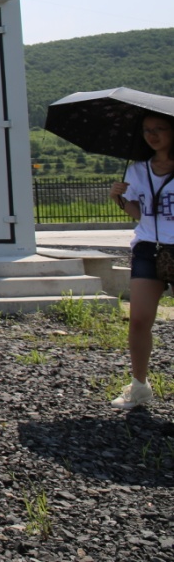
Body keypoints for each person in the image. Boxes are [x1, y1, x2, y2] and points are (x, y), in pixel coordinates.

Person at [109, 112, 174, 410]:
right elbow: (140, 213)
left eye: (160, 128)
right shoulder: (138, 170)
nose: (153, 135)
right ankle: (139, 386)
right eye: (147, 130)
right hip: (148, 247)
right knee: (138, 320)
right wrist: (119, 198)